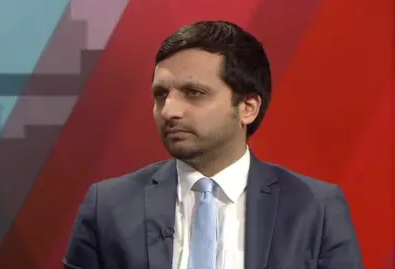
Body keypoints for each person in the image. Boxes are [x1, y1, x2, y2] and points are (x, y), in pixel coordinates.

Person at [63, 20, 364, 269]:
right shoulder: (108, 206)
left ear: (247, 107)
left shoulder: (316, 208)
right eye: (161, 94)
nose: (169, 111)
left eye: (193, 92)